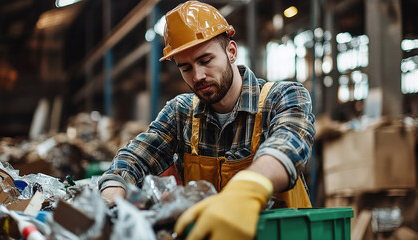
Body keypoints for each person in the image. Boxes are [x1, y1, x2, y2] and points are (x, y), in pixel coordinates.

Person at [98, 1, 315, 239]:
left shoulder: (284, 96)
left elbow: (289, 143)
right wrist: (111, 200)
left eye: (205, 60)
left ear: (231, 51)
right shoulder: (180, 113)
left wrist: (250, 188)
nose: (198, 76)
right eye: (186, 68)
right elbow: (134, 158)